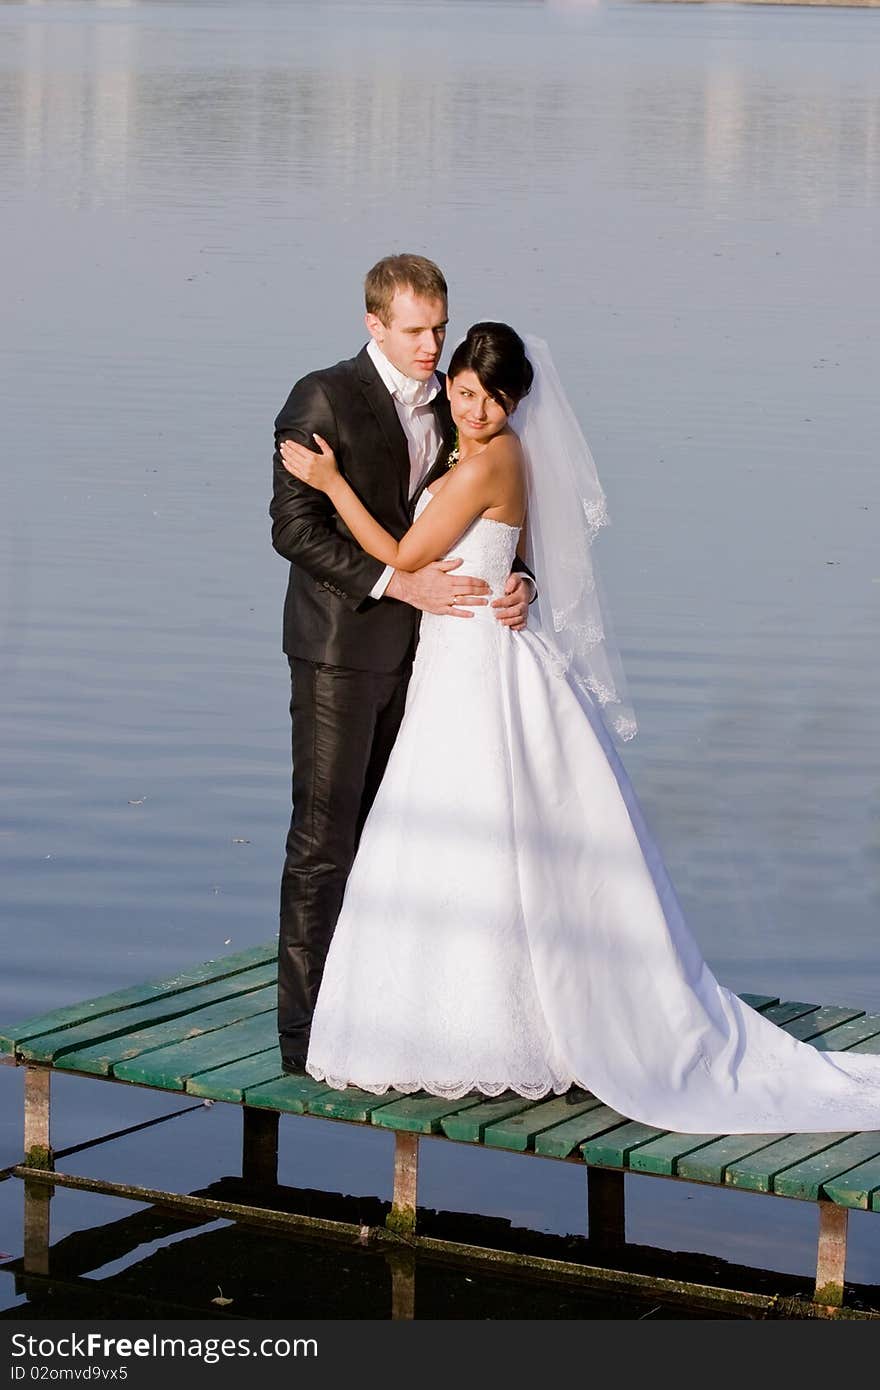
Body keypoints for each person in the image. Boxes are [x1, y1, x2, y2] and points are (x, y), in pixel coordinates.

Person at [279, 320, 880, 1136]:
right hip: (470, 657)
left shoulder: (489, 457)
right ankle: (489, 1017)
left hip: (476, 670)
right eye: (463, 394)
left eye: (492, 399)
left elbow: (399, 552)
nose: (475, 411)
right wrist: (514, 573)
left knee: (477, 832)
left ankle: (494, 1027)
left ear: (515, 402)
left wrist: (331, 479)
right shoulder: (497, 454)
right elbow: (503, 547)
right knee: (487, 839)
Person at [270, 256, 536, 1076]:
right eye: (417, 330)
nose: (432, 345)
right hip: (340, 653)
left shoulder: (465, 409)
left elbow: (490, 521)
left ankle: (386, 1009)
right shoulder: (323, 396)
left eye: (440, 329)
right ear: (374, 323)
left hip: (436, 662)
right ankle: (306, 1036)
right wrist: (397, 583)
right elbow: (294, 528)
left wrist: (521, 577)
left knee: (401, 842)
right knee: (324, 840)